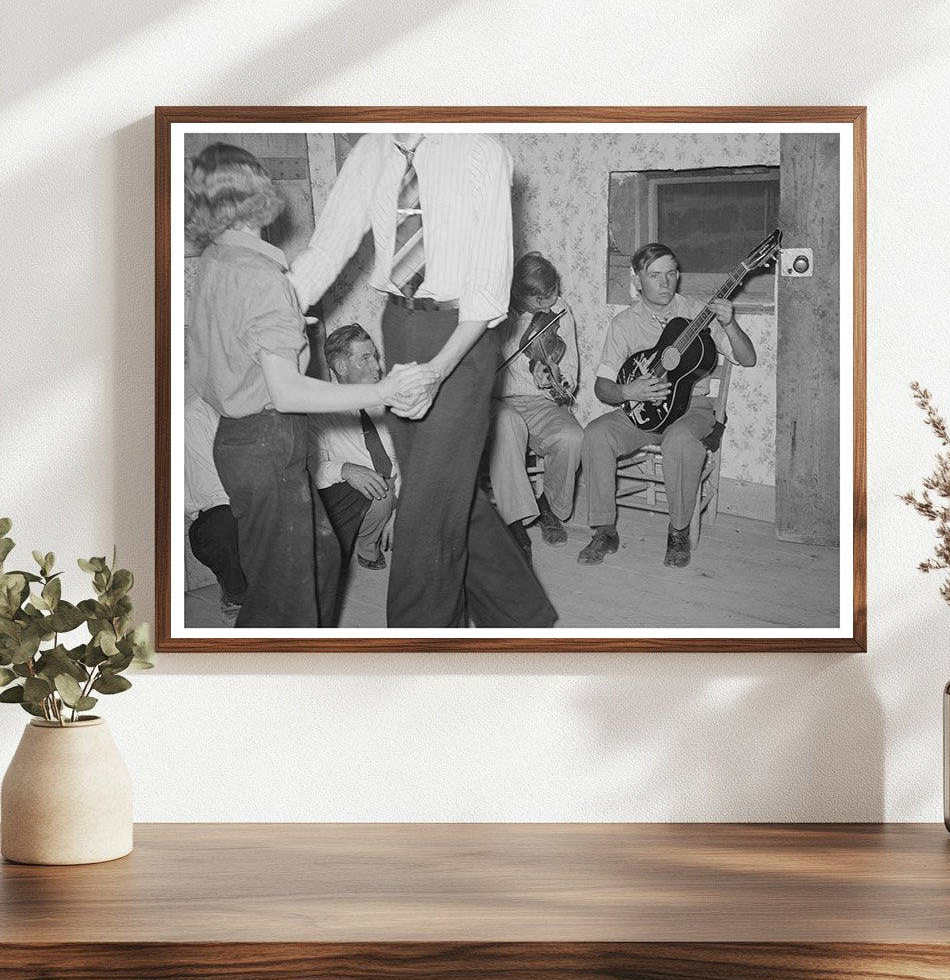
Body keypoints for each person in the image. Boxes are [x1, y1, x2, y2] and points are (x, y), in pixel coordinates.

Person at [288, 133, 556, 628]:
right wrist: (273, 310)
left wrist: (437, 370)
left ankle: (420, 650)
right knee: (447, 491)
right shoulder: (372, 150)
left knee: (425, 506)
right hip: (400, 324)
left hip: (464, 333)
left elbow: (490, 286)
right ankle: (523, 616)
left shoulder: (480, 150)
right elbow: (327, 248)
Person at [184, 142, 434, 629]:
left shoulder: (217, 261)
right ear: (258, 191)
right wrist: (383, 392)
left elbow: (232, 339)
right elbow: (288, 392)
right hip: (267, 439)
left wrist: (283, 325)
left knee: (319, 554)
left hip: (234, 441)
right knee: (285, 594)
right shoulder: (261, 274)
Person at [578, 242, 757, 568]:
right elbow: (602, 387)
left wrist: (730, 323)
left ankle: (678, 532)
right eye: (655, 275)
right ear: (637, 281)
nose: (665, 283)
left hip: (692, 409)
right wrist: (629, 391)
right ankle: (605, 530)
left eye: (671, 274)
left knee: (681, 442)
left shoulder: (697, 312)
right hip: (641, 412)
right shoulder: (623, 324)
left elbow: (747, 358)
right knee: (596, 434)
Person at [490, 252, 582, 565]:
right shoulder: (495, 313)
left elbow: (570, 374)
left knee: (572, 437)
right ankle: (516, 522)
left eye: (554, 292)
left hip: (541, 401)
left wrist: (554, 380)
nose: (551, 302)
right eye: (541, 299)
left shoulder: (560, 311)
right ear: (519, 295)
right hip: (499, 401)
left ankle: (549, 509)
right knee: (507, 425)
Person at [310, 324, 399, 623]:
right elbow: (311, 470)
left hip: (392, 490)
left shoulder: (389, 399)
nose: (376, 366)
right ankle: (364, 543)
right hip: (354, 498)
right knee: (377, 493)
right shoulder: (319, 409)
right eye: (365, 359)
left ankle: (380, 532)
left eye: (374, 356)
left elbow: (410, 460)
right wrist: (345, 469)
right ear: (340, 366)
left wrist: (400, 511)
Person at [184, 389, 246, 626]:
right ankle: (235, 595)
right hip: (218, 512)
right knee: (224, 524)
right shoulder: (195, 415)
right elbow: (214, 493)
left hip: (255, 502)